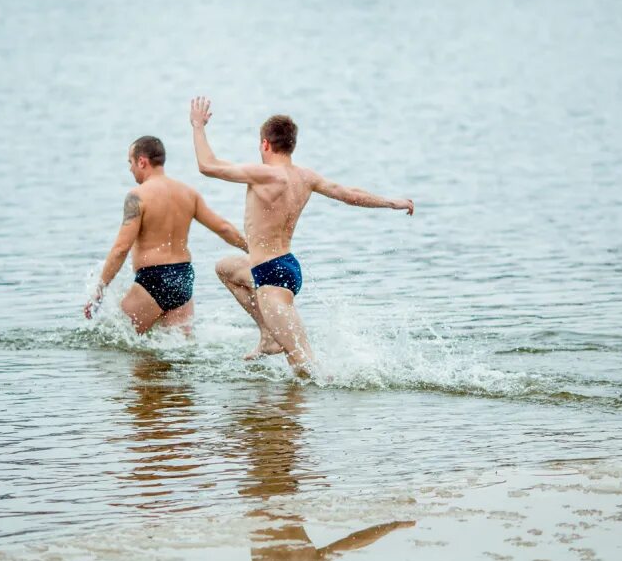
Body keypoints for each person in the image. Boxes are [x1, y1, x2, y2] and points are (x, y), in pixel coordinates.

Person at [189, 97, 414, 377]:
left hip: (272, 278)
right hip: (282, 266)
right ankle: (268, 335)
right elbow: (350, 194)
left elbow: (207, 165)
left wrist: (198, 126)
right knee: (226, 268)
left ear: (265, 145)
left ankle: (325, 403)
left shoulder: (265, 174)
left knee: (304, 365)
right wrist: (391, 202)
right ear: (291, 145)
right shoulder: (305, 177)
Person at [84, 135, 247, 333]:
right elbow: (224, 228)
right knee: (176, 353)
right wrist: (252, 249)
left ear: (142, 162)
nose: (130, 168)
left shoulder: (137, 196)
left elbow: (120, 249)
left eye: (130, 162)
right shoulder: (189, 193)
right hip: (183, 279)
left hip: (153, 279)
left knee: (113, 340)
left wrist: (100, 288)